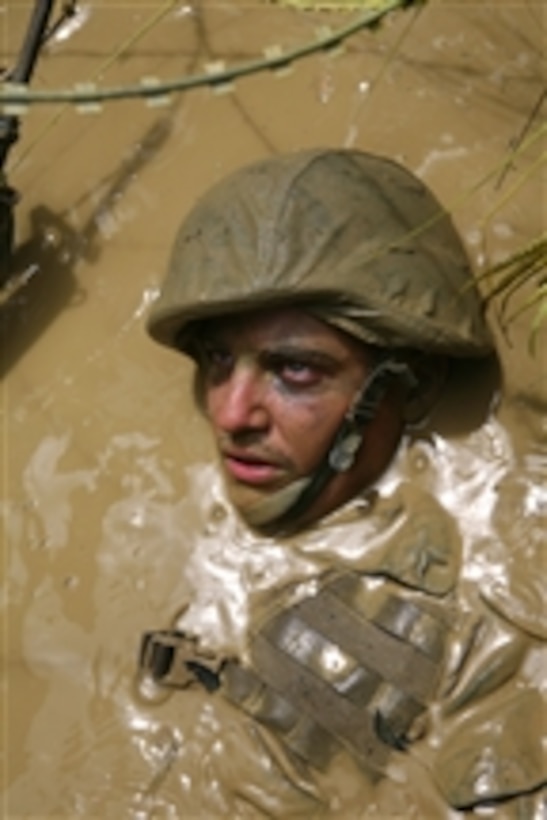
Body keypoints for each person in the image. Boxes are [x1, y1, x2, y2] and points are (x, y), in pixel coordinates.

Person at [139, 149, 545, 817]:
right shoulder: (163, 525)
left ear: (411, 385)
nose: (232, 415)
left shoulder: (480, 628)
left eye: (294, 371)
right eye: (218, 359)